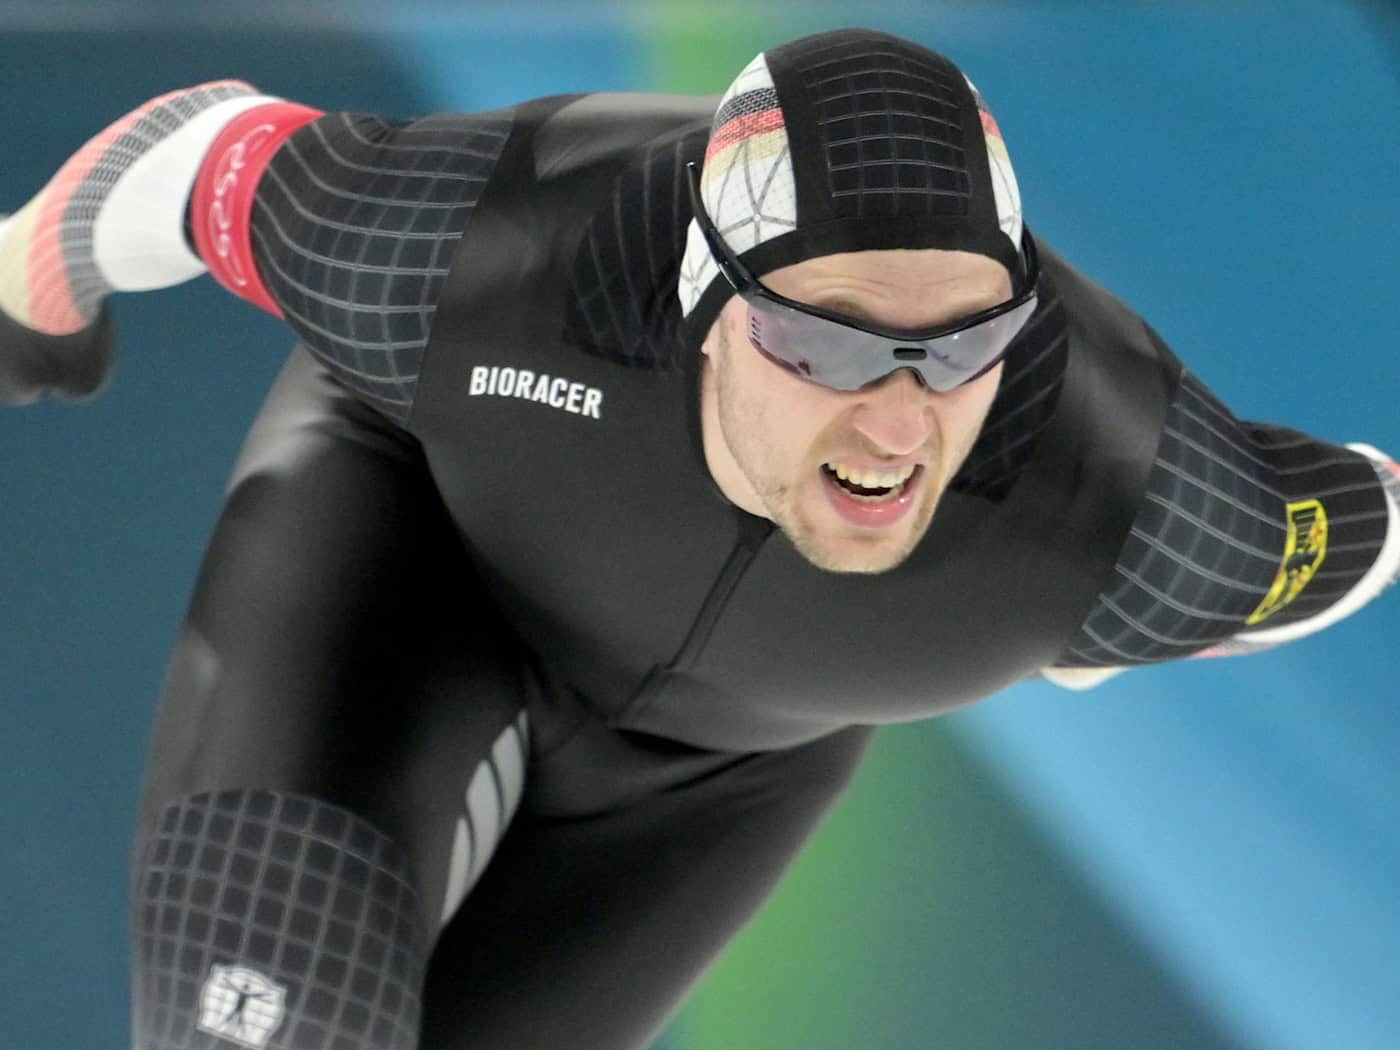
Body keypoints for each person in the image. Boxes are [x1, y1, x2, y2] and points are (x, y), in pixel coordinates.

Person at [2, 26, 1396, 1050]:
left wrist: (1102, 618)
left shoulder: (1130, 504)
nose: (897, 425)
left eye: (963, 346)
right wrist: (27, 287)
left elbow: (1360, 522)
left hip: (714, 777)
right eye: (826, 342)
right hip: (409, 568)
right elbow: (195, 160)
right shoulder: (474, 249)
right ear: (700, 299)